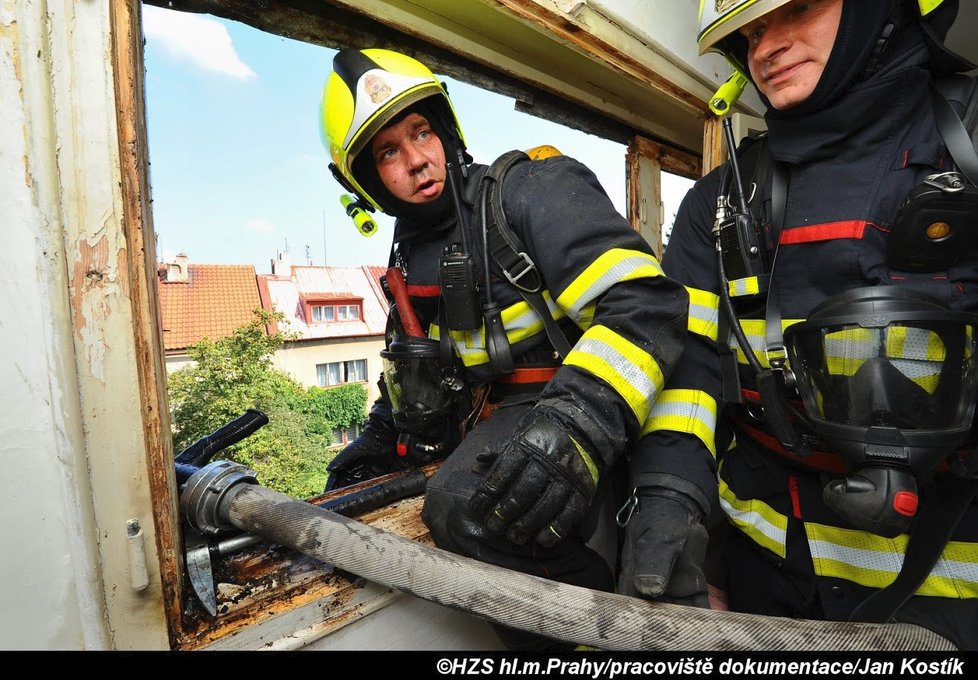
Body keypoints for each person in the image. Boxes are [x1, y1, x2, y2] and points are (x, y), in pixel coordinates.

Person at [618, 0, 978, 649]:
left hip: (952, 595)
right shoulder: (719, 204)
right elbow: (689, 373)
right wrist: (673, 507)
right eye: (750, 33)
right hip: (763, 584)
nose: (765, 48)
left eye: (799, 8)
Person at [319, 48, 689, 648]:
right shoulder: (405, 255)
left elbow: (647, 306)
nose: (417, 160)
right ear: (365, 180)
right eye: (388, 152)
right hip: (490, 426)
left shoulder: (531, 190)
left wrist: (576, 423)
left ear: (446, 130)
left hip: (570, 410)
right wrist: (379, 437)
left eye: (421, 132)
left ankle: (591, 644)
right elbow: (418, 363)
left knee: (461, 504)